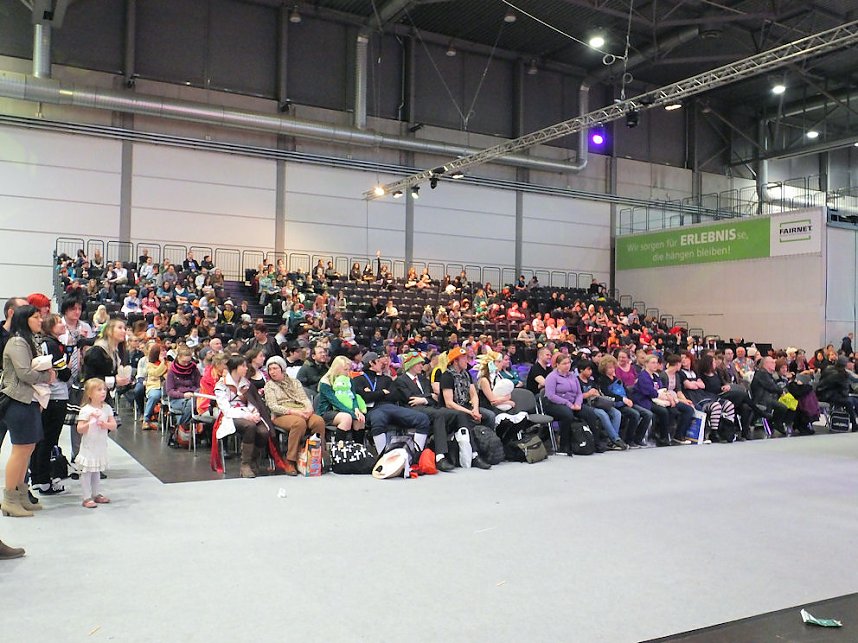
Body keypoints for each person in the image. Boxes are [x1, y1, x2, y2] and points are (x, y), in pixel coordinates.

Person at [0, 305, 55, 517]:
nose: (40, 320)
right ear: (25, 319)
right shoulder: (17, 342)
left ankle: (21, 495)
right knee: (20, 450)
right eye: (36, 317)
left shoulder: (29, 340)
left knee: (28, 449)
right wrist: (47, 377)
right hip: (17, 401)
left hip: (28, 400)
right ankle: (9, 499)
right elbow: (24, 373)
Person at [352, 352, 431, 454]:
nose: (383, 363)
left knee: (422, 418)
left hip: (391, 407)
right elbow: (364, 397)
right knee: (378, 419)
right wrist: (382, 392)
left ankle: (416, 454)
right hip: (373, 410)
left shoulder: (386, 379)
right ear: (371, 363)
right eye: (379, 361)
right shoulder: (358, 380)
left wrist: (372, 394)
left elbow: (394, 396)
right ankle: (382, 456)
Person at [393, 352, 460, 472]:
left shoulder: (423, 379)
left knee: (455, 413)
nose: (421, 366)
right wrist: (429, 397)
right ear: (411, 365)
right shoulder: (400, 380)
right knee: (439, 415)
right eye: (418, 363)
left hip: (428, 407)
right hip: (411, 410)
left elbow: (435, 397)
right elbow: (410, 398)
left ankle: (466, 452)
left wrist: (424, 399)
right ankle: (440, 456)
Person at [214, 354, 275, 478]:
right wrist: (246, 415)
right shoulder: (222, 385)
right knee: (250, 426)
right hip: (232, 415)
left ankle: (254, 460)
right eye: (243, 366)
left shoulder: (246, 383)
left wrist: (255, 412)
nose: (246, 368)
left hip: (249, 413)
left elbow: (253, 401)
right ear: (234, 368)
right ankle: (245, 464)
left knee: (264, 431)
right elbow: (226, 410)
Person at [30, 314, 71, 495]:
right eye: (58, 322)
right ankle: (44, 481)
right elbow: (65, 374)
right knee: (48, 440)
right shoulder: (52, 345)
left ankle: (37, 478)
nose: (63, 324)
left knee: (42, 440)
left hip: (49, 396)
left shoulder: (48, 343)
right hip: (55, 396)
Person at [264, 356, 325, 476]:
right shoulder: (269, 386)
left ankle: (317, 456)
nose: (272, 372)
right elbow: (273, 406)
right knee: (299, 423)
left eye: (275, 368)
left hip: (301, 410)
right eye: (270, 369)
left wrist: (309, 409)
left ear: (282, 369)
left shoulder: (295, 382)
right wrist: (295, 412)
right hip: (282, 414)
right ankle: (290, 460)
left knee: (318, 421)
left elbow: (304, 398)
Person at [437, 347, 492, 469]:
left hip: (467, 407)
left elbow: (473, 395)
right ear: (455, 361)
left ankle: (489, 450)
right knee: (465, 418)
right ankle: (474, 455)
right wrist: (470, 412)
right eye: (464, 358)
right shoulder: (447, 376)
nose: (467, 361)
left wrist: (475, 409)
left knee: (489, 416)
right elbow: (449, 403)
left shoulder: (466, 374)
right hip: (451, 411)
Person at [75, 378, 116, 508]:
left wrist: (105, 424)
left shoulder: (107, 408)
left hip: (100, 445)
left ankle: (96, 493)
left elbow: (113, 425)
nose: (103, 392)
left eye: (104, 389)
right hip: (89, 446)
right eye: (99, 390)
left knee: (97, 470)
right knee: (87, 471)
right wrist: (90, 423)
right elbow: (79, 429)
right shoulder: (85, 410)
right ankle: (86, 497)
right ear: (89, 394)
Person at [316, 355, 366, 442]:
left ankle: (358, 446)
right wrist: (353, 414)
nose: (348, 372)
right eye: (345, 370)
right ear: (337, 369)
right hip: (327, 411)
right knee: (346, 418)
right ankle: (338, 447)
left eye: (349, 369)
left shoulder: (348, 379)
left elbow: (353, 396)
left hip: (346, 409)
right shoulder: (325, 382)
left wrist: (356, 409)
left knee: (360, 419)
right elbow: (335, 402)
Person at [750, 356, 792, 435]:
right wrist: (781, 391)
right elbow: (771, 386)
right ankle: (777, 423)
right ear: (766, 364)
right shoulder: (761, 374)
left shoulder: (767, 374)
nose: (774, 364)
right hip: (761, 399)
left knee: (792, 403)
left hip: (769, 397)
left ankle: (780, 423)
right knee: (783, 407)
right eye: (772, 362)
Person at [165, 345, 201, 431]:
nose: (186, 364)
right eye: (184, 361)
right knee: (191, 405)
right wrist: (183, 395)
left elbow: (199, 385)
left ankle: (186, 429)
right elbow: (170, 391)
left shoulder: (194, 369)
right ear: (178, 358)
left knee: (198, 404)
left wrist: (195, 393)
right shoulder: (171, 372)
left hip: (194, 396)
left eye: (188, 362)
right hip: (177, 399)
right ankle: (182, 426)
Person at [141, 344, 167, 430]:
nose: (164, 352)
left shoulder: (169, 362)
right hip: (154, 386)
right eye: (162, 351)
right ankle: (146, 419)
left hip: (167, 386)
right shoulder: (150, 364)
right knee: (154, 395)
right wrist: (162, 363)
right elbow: (156, 373)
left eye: (165, 350)